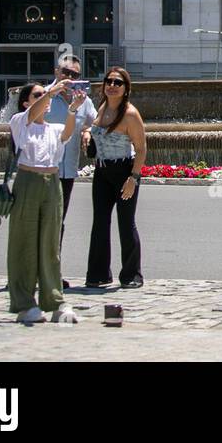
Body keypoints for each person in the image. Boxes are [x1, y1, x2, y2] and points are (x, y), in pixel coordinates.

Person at [6, 80, 85, 324]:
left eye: (44, 94)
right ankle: (25, 303)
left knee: (51, 244)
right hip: (27, 180)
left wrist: (73, 108)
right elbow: (33, 114)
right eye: (38, 95)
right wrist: (51, 91)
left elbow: (67, 134)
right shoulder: (20, 122)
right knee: (24, 242)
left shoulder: (53, 128)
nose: (45, 99)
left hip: (52, 183)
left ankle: (55, 301)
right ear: (27, 102)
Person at [85, 67, 146, 289]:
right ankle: (98, 274)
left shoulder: (130, 114)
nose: (112, 85)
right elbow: (93, 132)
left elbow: (141, 148)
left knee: (125, 223)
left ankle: (131, 275)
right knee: (100, 222)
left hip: (124, 171)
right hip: (102, 171)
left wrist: (133, 177)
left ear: (126, 88)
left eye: (118, 82)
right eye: (108, 81)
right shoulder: (101, 108)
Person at [45, 54, 97, 288]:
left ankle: (51, 270)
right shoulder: (44, 95)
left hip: (67, 171)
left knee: (58, 221)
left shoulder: (83, 100)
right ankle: (32, 269)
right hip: (43, 169)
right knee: (39, 220)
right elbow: (26, 120)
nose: (69, 78)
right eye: (66, 73)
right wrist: (52, 92)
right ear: (57, 72)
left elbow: (96, 121)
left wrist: (87, 130)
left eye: (75, 75)